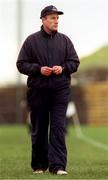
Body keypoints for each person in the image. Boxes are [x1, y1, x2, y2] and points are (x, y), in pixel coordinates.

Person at [16, 5, 80, 175]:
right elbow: (21, 64)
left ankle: (58, 166)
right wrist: (38, 70)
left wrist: (63, 68)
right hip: (38, 92)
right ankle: (39, 165)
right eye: (52, 18)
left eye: (57, 18)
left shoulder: (65, 40)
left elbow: (74, 62)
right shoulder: (31, 41)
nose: (56, 21)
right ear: (43, 20)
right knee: (39, 129)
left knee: (58, 128)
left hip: (60, 91)